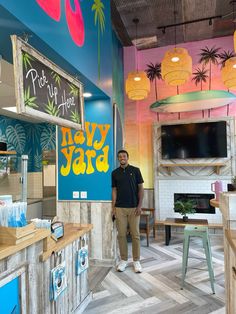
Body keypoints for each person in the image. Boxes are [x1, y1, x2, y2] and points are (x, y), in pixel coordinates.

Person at [112, 149, 144, 273]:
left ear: (127, 157)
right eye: (119, 156)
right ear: (118, 159)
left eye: (124, 156)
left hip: (134, 208)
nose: (122, 158)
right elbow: (114, 190)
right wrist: (113, 208)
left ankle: (136, 261)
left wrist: (140, 206)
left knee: (135, 235)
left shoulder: (135, 171)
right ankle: (123, 260)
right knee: (121, 235)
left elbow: (141, 189)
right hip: (120, 208)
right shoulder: (114, 173)